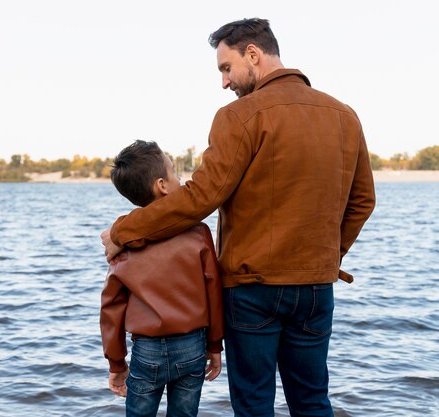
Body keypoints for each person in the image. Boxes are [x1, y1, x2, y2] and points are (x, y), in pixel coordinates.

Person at [101, 18, 376, 417]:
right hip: (316, 285)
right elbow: (363, 201)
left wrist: (122, 231)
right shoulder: (344, 115)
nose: (225, 83)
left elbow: (200, 198)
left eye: (226, 68)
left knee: (253, 404)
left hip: (253, 289)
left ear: (253, 53)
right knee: (313, 400)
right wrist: (327, 256)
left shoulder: (239, 117)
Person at [99, 140, 224, 417]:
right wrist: (215, 345)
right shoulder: (198, 232)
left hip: (147, 350)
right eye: (174, 173)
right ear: (162, 185)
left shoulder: (125, 240)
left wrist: (116, 363)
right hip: (192, 346)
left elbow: (111, 306)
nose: (180, 179)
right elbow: (214, 290)